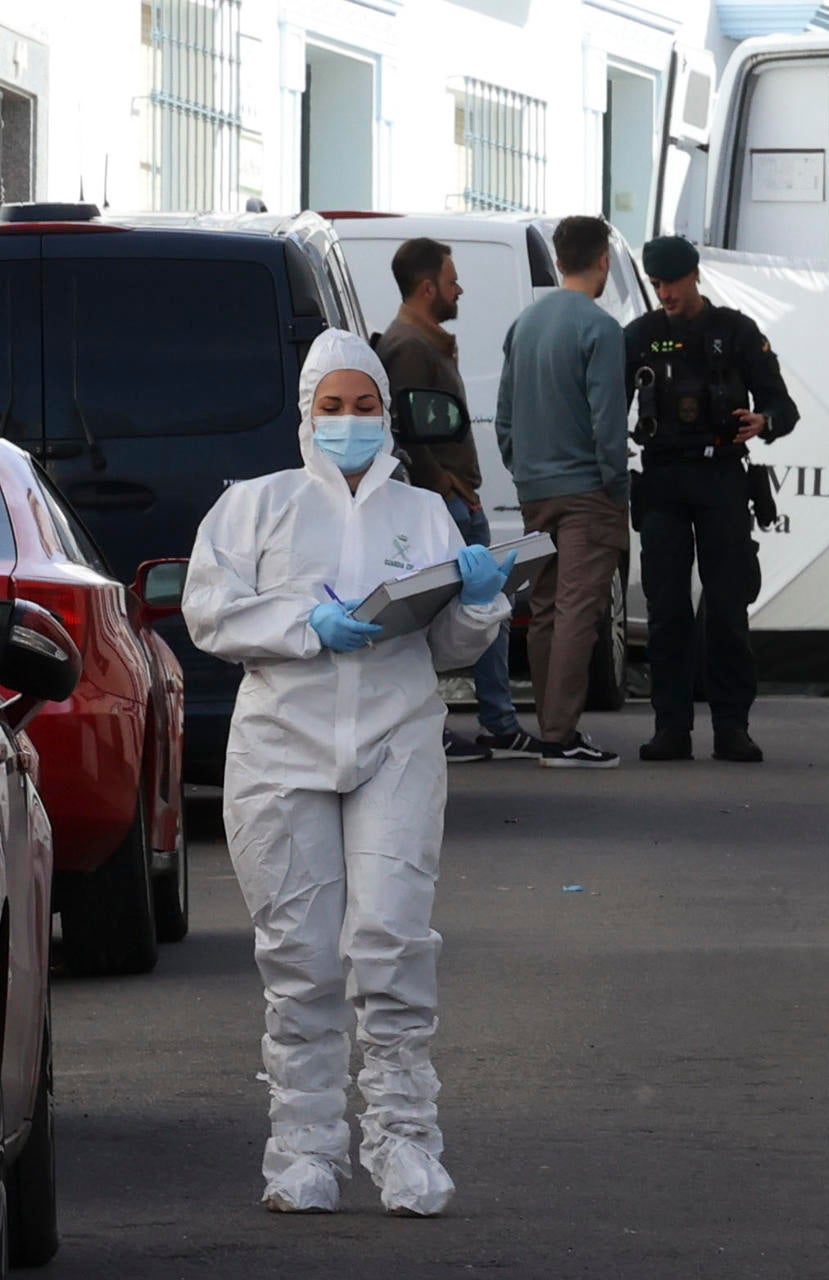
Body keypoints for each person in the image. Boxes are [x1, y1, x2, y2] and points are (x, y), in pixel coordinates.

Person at [183, 330, 514, 1216]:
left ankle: (405, 1142)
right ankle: (303, 1150)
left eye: (364, 406)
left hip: (397, 740)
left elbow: (448, 643)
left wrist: (479, 600)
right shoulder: (257, 507)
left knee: (392, 943)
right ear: (306, 415)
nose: (349, 423)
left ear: (386, 414)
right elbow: (209, 612)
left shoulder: (423, 514)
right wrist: (304, 625)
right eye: (332, 408)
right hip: (280, 748)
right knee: (300, 958)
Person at [626, 235, 798, 765]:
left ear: (694, 275)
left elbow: (783, 405)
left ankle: (732, 727)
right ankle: (671, 727)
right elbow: (607, 404)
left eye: (671, 282)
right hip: (663, 481)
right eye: (656, 284)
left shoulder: (737, 332)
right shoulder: (641, 335)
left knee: (727, 608)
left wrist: (763, 421)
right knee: (666, 609)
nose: (664, 293)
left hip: (722, 476)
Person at [376, 236, 539, 764]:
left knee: (490, 610)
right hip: (443, 504)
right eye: (451, 281)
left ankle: (499, 723)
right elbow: (405, 429)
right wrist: (443, 488)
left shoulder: (429, 342)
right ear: (428, 288)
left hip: (460, 500)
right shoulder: (407, 347)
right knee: (436, 619)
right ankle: (437, 726)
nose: (459, 288)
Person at [497, 215, 630, 768]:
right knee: (580, 607)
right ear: (603, 260)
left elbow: (504, 418)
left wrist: (524, 467)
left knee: (547, 607)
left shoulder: (523, 326)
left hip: (535, 489)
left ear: (556, 261)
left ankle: (550, 727)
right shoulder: (601, 329)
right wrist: (615, 487)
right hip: (586, 490)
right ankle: (560, 733)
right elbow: (608, 421)